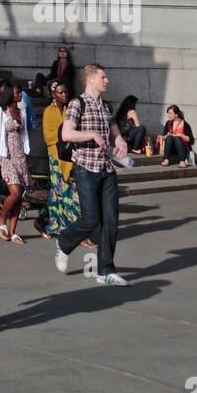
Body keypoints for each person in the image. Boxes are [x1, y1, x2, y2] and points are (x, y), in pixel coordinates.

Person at [55, 62, 129, 285]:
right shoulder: (77, 104)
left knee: (111, 221)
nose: (107, 80)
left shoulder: (106, 106)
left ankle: (105, 270)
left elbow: (114, 132)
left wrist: (121, 141)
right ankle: (64, 242)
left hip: (106, 169)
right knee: (91, 219)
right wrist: (91, 135)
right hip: (85, 169)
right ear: (91, 80)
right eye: (103, 77)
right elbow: (67, 134)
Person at [35, 80, 95, 244]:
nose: (64, 95)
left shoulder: (71, 110)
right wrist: (67, 133)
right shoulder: (49, 111)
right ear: (54, 94)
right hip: (56, 157)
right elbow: (49, 136)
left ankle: (50, 225)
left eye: (66, 92)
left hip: (71, 156)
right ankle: (74, 233)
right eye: (61, 92)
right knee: (68, 194)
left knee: (63, 194)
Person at [0, 83, 31, 243]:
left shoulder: (22, 112)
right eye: (17, 93)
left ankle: (13, 232)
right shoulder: (0, 112)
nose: (20, 95)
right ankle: (1, 219)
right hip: (5, 156)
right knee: (15, 193)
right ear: (9, 94)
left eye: (20, 92)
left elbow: (25, 135)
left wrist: (27, 154)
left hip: (20, 156)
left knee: (20, 197)